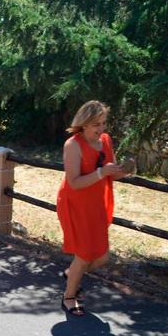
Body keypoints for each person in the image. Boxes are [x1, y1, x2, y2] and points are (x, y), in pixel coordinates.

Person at [57, 101, 127, 316]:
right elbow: (75, 182)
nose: (101, 128)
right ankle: (68, 297)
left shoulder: (105, 140)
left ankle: (72, 273)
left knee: (102, 256)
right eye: (96, 124)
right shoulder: (73, 145)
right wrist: (101, 173)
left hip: (97, 202)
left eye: (104, 123)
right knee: (85, 254)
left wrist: (123, 170)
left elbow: (111, 172)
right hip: (75, 203)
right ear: (84, 124)